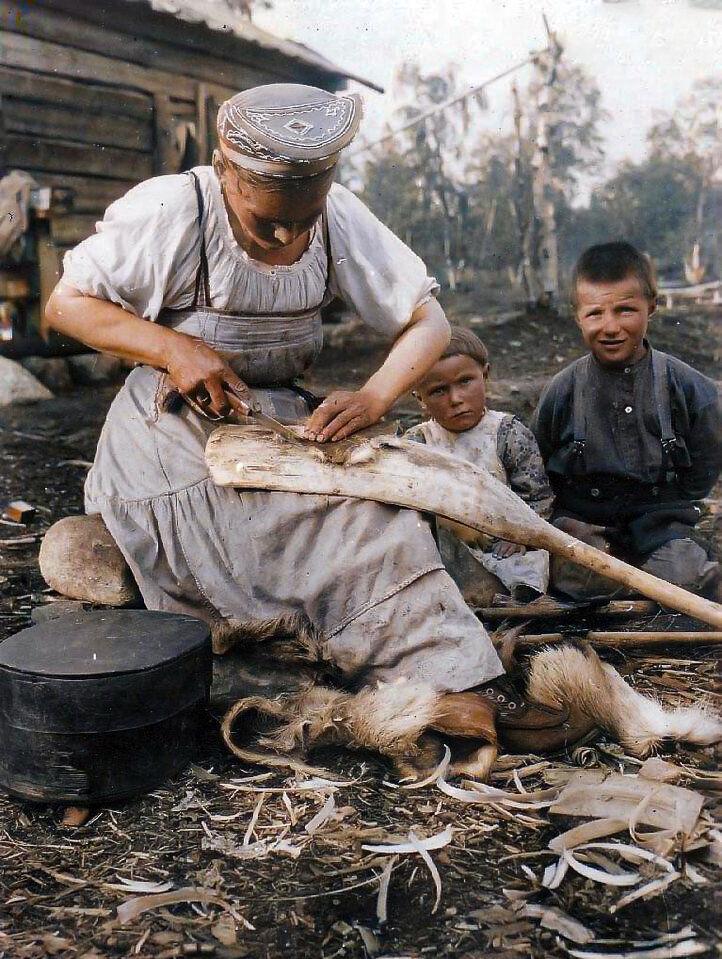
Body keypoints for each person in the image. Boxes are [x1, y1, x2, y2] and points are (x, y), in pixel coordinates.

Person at [44, 82, 511, 703]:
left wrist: (373, 398)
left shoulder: (338, 217)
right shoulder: (178, 211)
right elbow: (65, 306)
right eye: (269, 218)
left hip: (280, 420)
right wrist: (172, 348)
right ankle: (305, 665)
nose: (286, 232)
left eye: (304, 216)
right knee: (268, 529)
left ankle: (444, 687)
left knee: (371, 519)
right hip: (173, 429)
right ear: (224, 171)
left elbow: (429, 321)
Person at [531, 241, 722, 602]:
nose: (611, 327)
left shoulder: (685, 385)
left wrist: (677, 502)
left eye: (625, 310)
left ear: (651, 306)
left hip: (657, 521)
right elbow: (536, 463)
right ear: (577, 315)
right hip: (583, 520)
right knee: (579, 578)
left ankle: (659, 575)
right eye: (595, 314)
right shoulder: (563, 390)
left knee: (691, 579)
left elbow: (707, 456)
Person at [407, 325, 554, 604]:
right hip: (448, 545)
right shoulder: (418, 443)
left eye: (465, 382)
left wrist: (523, 535)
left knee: (524, 572)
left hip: (505, 543)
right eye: (439, 391)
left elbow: (537, 496)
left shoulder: (507, 433)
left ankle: (509, 600)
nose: (456, 399)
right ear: (419, 397)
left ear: (484, 375)